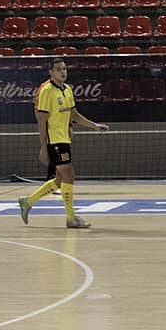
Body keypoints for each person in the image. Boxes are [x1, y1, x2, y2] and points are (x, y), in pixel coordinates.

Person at [19, 57, 109, 228]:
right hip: (54, 140)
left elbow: (74, 115)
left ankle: (27, 202)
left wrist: (94, 126)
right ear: (51, 72)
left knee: (60, 180)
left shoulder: (67, 89)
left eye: (64, 68)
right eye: (58, 69)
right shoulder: (47, 91)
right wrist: (44, 147)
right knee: (69, 176)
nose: (62, 72)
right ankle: (71, 218)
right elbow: (41, 121)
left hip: (64, 139)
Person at [33, 78, 66, 195]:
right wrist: (44, 124)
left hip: (59, 124)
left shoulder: (64, 88)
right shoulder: (46, 87)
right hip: (49, 122)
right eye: (59, 69)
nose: (63, 72)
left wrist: (69, 125)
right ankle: (51, 180)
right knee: (53, 148)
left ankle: (56, 181)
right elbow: (39, 110)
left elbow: (67, 109)